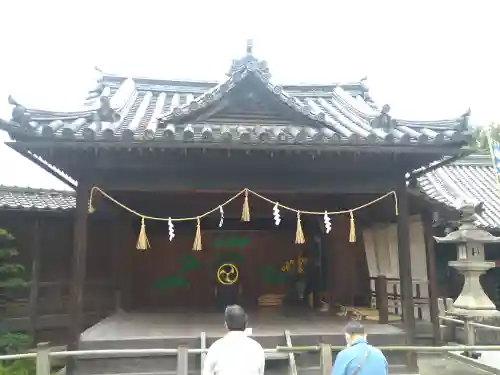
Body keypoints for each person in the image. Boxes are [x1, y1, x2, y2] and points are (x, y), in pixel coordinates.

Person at [203, 305, 265, 375]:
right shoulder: (257, 348)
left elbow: (206, 372)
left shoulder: (215, 347)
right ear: (246, 324)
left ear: (226, 324)